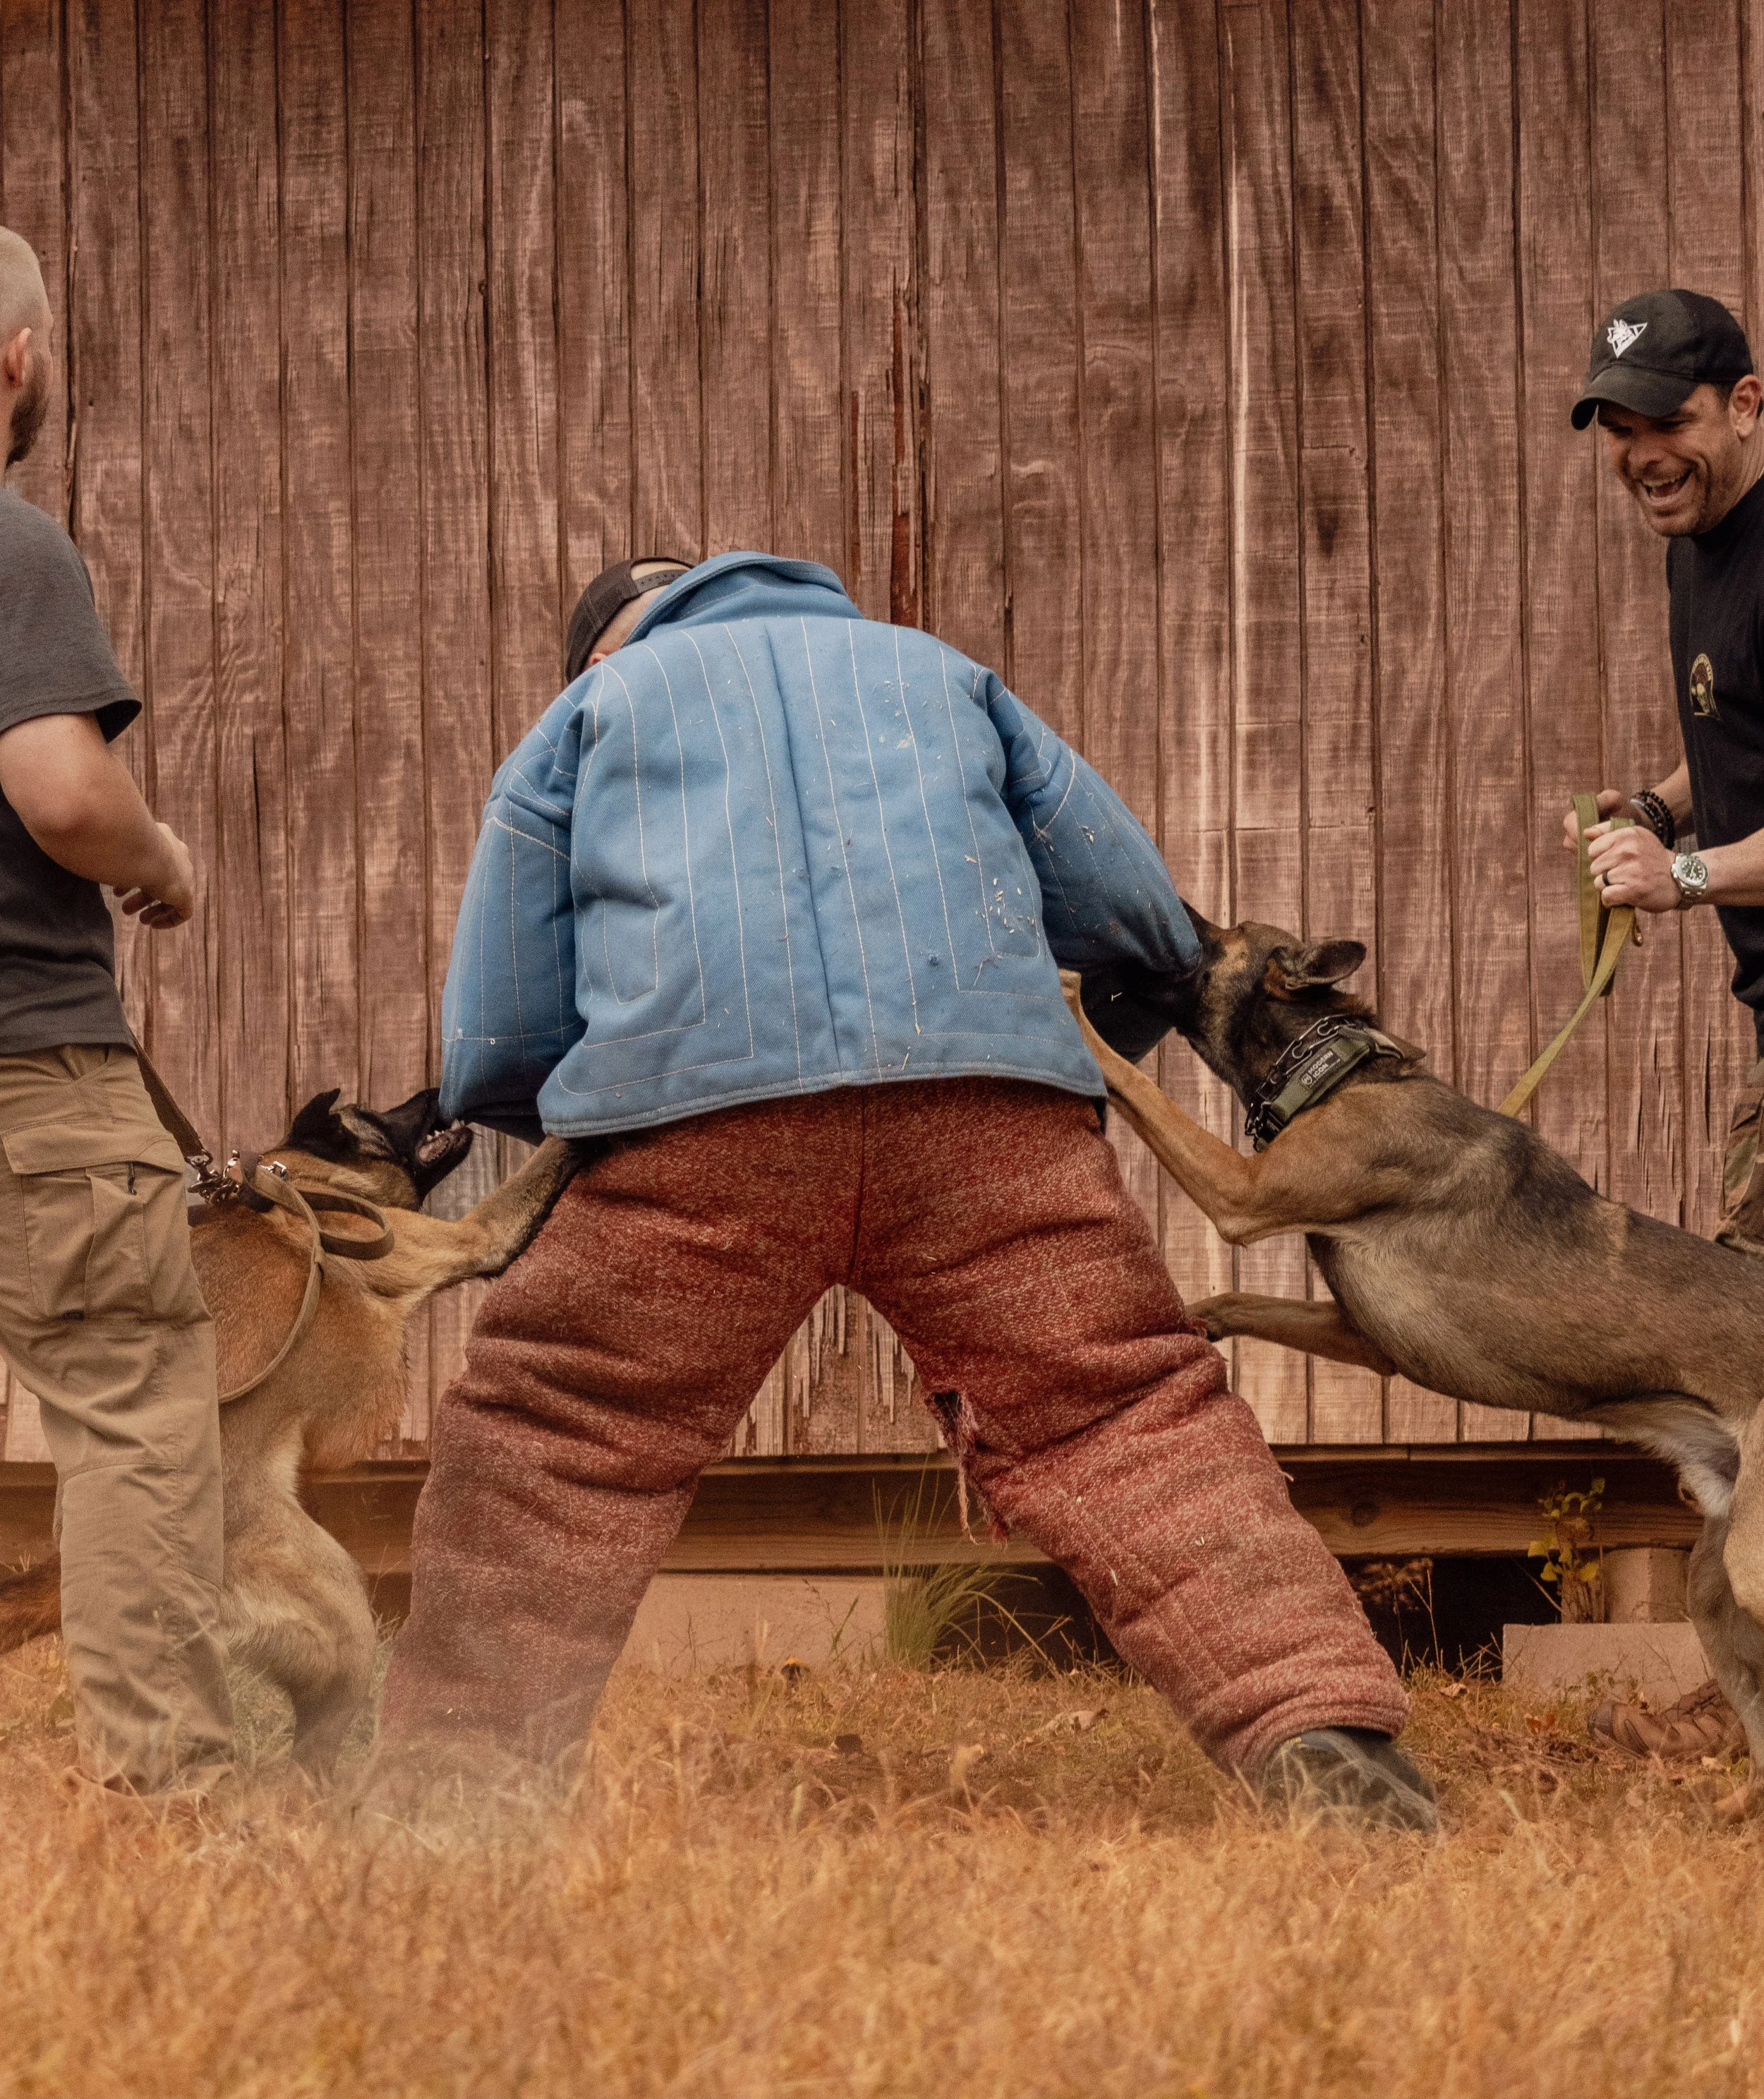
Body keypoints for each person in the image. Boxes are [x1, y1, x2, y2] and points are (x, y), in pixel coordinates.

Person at [375, 547, 1435, 1830]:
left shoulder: (590, 713)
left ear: (607, 648)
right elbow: (1141, 919)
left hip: (694, 1126)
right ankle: (1325, 1740)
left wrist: (582, 1128)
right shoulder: (945, 675)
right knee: (1124, 1417)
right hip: (986, 1119)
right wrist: (1023, 1051)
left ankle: (456, 1805)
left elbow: (494, 1033)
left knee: (559, 1439)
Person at [0, 228, 231, 1798]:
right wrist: (161, 863)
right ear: (13, 359)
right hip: (30, 1071)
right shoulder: (13, 548)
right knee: (131, 1409)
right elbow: (64, 790)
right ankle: (180, 1814)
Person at [1564, 289, 1764, 1764]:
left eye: (1669, 420)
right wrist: (1658, 800)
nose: (1642, 451)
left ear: (1745, 404)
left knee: (1746, 1353)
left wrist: (1681, 874)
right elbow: (1740, 739)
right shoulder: (1694, 549)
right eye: (1619, 427)